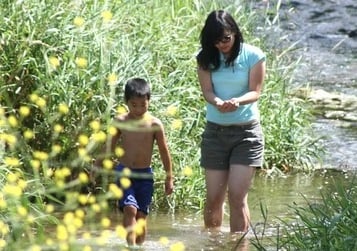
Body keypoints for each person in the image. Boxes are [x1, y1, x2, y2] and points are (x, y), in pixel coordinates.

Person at [196, 10, 266, 233]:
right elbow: (207, 91)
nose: (221, 44)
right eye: (216, 40)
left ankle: (240, 245)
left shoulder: (254, 56)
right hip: (215, 133)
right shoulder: (205, 57)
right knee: (213, 198)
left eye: (226, 38)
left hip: (246, 134)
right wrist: (217, 101)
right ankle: (213, 245)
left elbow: (255, 91)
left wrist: (237, 101)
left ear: (234, 33)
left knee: (237, 196)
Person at [94, 77, 174, 246]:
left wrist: (169, 177)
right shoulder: (120, 122)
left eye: (143, 105)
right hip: (125, 172)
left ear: (149, 101)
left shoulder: (154, 124)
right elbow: (109, 146)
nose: (138, 109)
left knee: (141, 220)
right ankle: (130, 247)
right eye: (134, 105)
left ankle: (138, 246)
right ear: (126, 102)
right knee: (130, 209)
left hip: (145, 176)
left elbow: (164, 151)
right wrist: (97, 165)